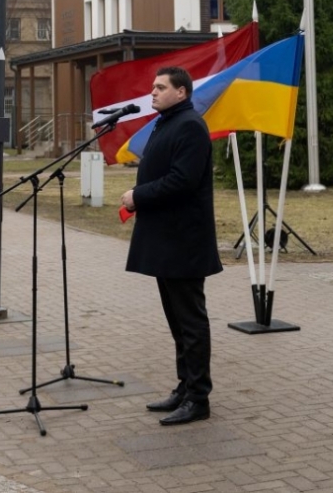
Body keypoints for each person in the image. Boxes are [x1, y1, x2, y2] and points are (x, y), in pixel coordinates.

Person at [120, 66, 220, 427]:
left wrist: (138, 196)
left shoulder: (190, 125)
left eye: (161, 87)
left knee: (191, 321)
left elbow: (182, 180)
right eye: (153, 86)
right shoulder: (168, 122)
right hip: (167, 239)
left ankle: (199, 398)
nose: (153, 92)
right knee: (177, 322)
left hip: (185, 241)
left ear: (182, 92)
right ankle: (185, 386)